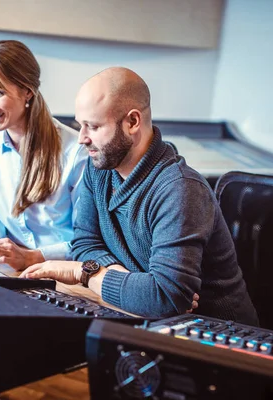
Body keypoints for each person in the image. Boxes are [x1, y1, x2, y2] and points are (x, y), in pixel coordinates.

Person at [21, 67, 259, 325]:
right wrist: (128, 284)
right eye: (81, 126)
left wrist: (84, 273)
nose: (82, 139)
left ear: (132, 122)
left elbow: (164, 300)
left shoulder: (180, 189)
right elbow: (84, 244)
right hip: (139, 317)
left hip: (215, 337)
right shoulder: (99, 167)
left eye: (94, 126)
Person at [0, 40, 88, 270]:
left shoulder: (76, 152)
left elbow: (88, 242)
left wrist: (32, 257)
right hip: (10, 268)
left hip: (62, 273)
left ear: (27, 91)